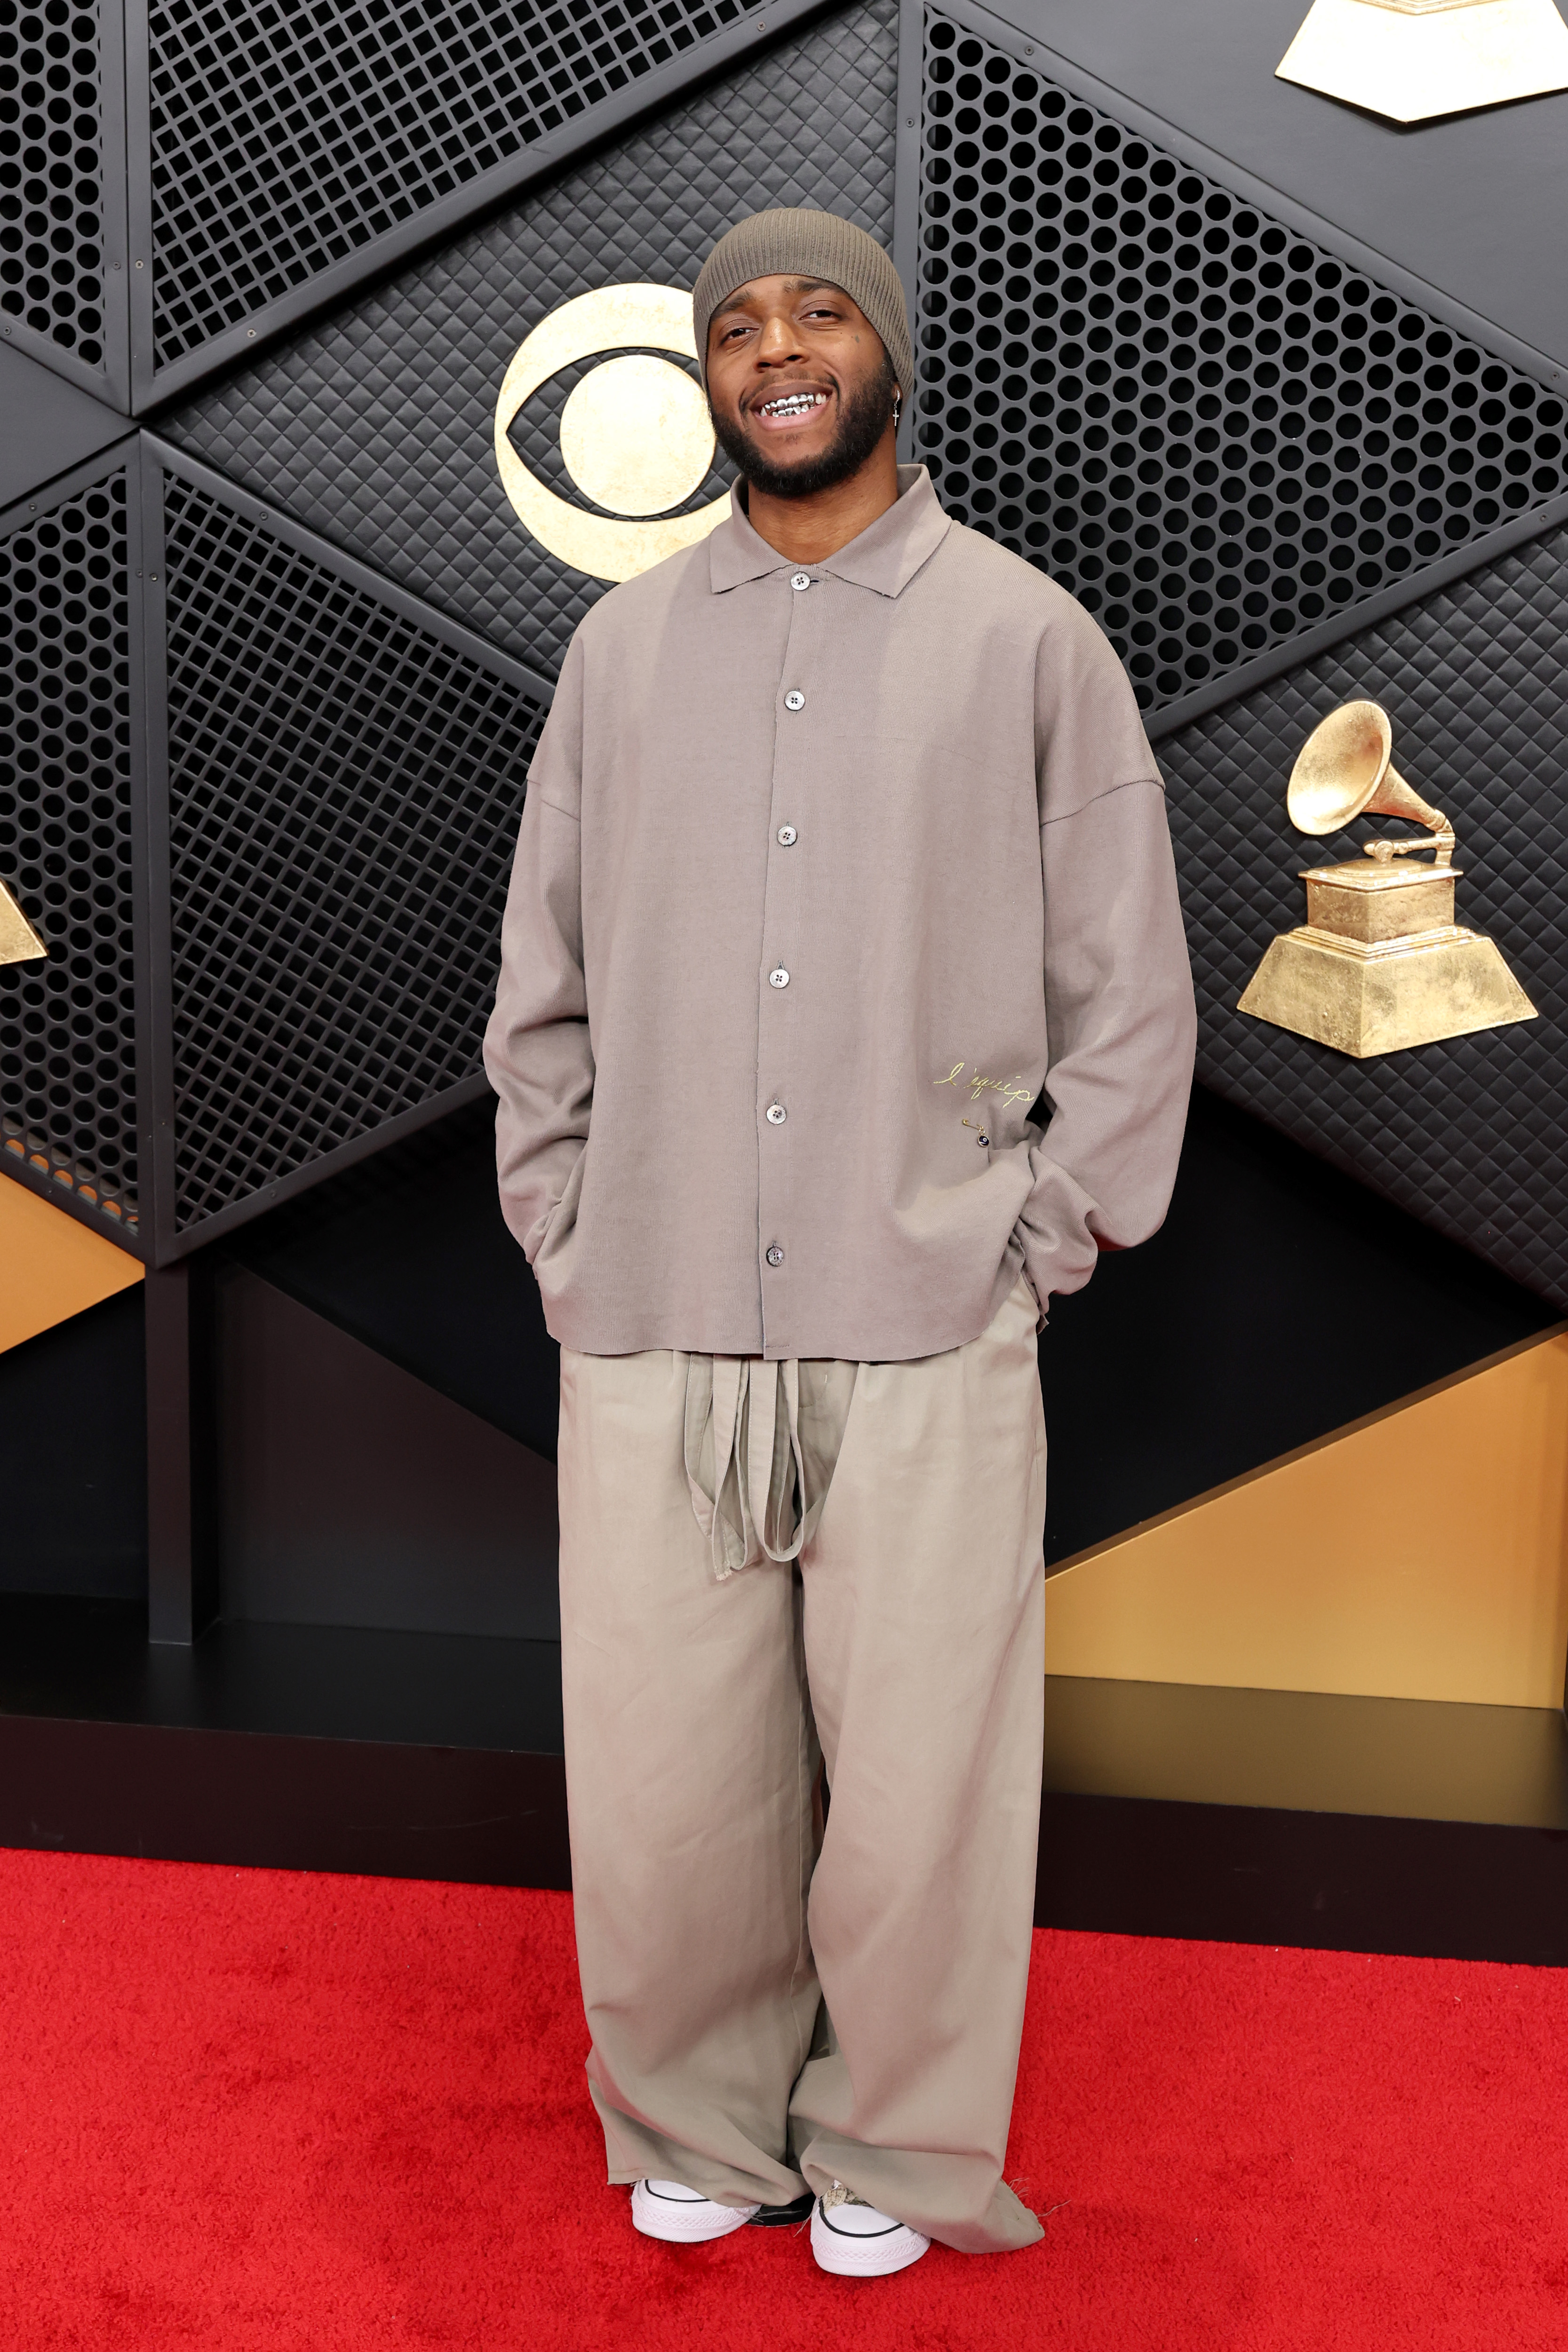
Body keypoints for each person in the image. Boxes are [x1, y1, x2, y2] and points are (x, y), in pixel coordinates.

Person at [483, 207, 1195, 2278]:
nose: (773, 349)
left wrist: (1034, 1241)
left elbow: (1129, 996)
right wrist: (566, 1219)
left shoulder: (1027, 639)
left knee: (921, 1787)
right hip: (655, 1306)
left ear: (882, 351)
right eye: (732, 326)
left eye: (815, 314)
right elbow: (545, 982)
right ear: (702, 381)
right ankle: (699, 2112)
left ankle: (892, 2138)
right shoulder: (621, 651)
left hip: (926, 1310)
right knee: (666, 1775)